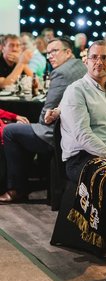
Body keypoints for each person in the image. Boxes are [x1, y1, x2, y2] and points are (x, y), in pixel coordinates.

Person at [58, 40, 106, 256]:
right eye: (94, 57)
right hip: (82, 157)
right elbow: (83, 136)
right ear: (86, 61)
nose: (99, 62)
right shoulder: (76, 91)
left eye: (105, 58)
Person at [0, 38, 87, 203]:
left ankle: (16, 190)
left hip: (58, 134)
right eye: (48, 53)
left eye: (55, 51)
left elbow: (45, 117)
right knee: (22, 128)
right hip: (74, 128)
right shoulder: (80, 66)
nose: (50, 56)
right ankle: (34, 180)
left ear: (68, 52)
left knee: (10, 131)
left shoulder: (62, 72)